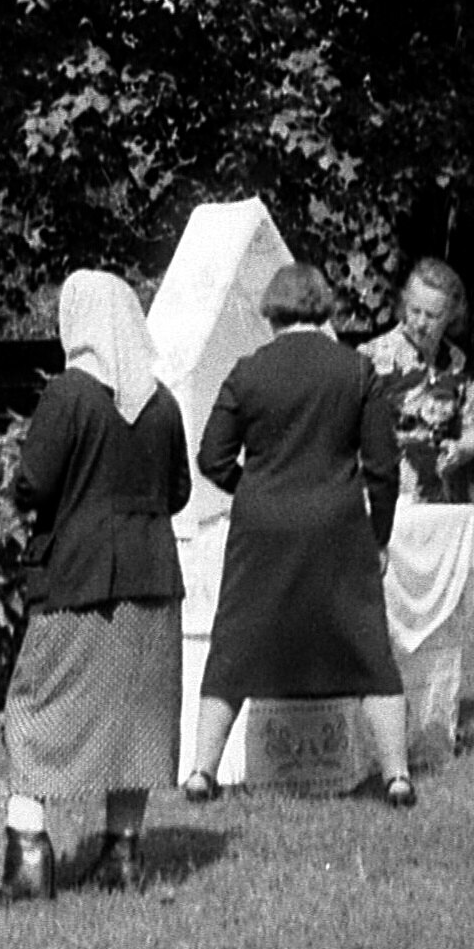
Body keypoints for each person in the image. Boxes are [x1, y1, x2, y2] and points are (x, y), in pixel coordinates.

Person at [0, 272, 191, 908]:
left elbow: (35, 483)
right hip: (154, 576)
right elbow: (179, 492)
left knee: (35, 706)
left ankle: (29, 862)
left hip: (80, 576)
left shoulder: (69, 393)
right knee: (137, 719)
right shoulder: (163, 403)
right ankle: (123, 856)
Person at [184, 260, 415, 810]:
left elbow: (211, 457)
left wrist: (252, 489)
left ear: (272, 314)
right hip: (338, 525)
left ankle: (201, 771)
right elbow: (383, 468)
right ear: (324, 309)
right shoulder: (357, 371)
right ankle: (397, 776)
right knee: (366, 645)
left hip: (262, 528)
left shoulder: (246, 373)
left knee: (236, 640)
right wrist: (379, 535)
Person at [363, 255, 474, 505]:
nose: (420, 323)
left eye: (432, 316)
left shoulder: (456, 362)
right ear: (404, 303)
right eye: (415, 311)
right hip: (379, 500)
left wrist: (461, 448)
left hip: (433, 502)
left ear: (451, 316)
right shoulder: (372, 357)